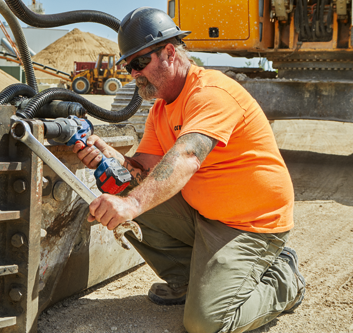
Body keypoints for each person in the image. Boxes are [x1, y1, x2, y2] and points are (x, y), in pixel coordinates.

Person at [73, 7, 306, 333]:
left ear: (169, 52)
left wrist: (133, 205)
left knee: (206, 323)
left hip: (251, 226)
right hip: (205, 217)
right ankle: (187, 281)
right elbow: (144, 171)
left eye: (139, 63)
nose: (133, 74)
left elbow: (187, 155)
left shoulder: (210, 93)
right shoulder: (160, 109)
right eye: (129, 66)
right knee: (121, 185)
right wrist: (109, 158)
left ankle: (284, 281)